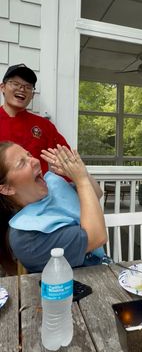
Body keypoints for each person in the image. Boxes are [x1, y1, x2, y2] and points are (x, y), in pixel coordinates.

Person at [0, 141, 108, 273]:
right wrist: (81, 180)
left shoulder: (54, 187)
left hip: (101, 268)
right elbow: (97, 237)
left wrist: (82, 174)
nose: (34, 160)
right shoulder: (25, 237)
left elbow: (96, 194)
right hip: (70, 286)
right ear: (7, 189)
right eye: (22, 163)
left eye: (29, 155)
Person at [0, 64, 70, 174]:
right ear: (2, 87)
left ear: (32, 95)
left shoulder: (44, 126)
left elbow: (67, 160)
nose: (22, 89)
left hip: (35, 189)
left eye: (28, 87)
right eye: (16, 84)